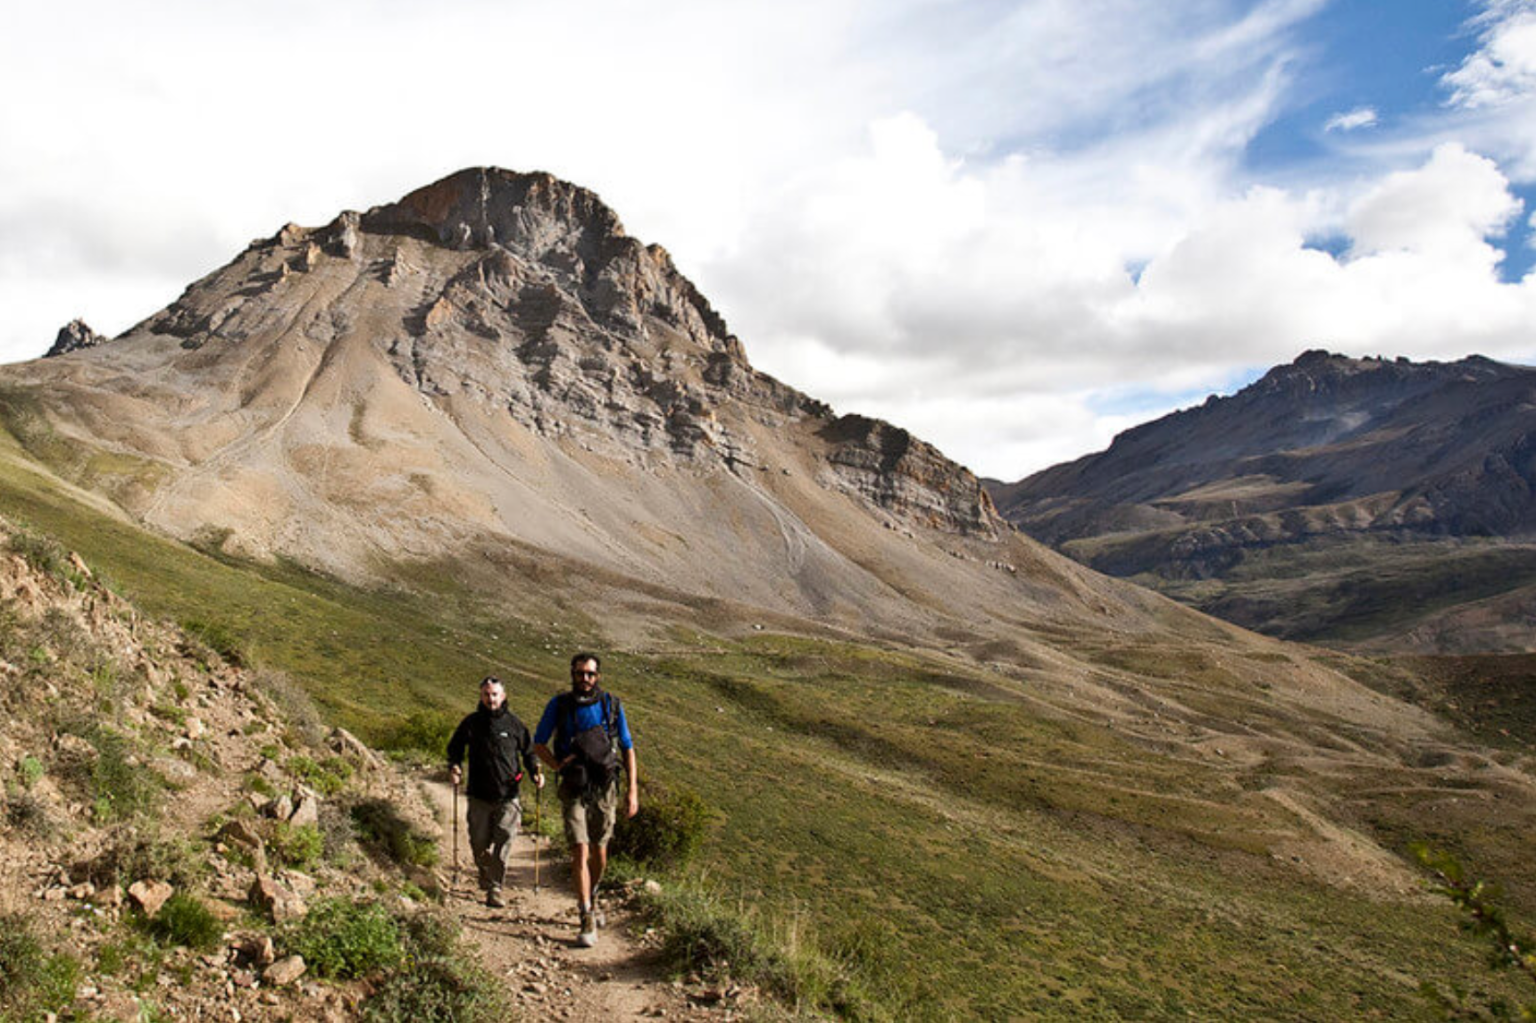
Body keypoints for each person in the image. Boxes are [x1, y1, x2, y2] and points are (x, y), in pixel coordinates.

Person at [533, 652, 638, 948]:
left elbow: (628, 748)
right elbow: (538, 743)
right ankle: (585, 914)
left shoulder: (612, 705)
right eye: (580, 673)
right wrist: (556, 765)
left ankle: (591, 895)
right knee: (579, 848)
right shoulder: (559, 705)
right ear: (572, 674)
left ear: (598, 676)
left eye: (590, 674)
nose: (585, 679)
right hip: (573, 785)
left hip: (605, 786)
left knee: (599, 852)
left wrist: (632, 791)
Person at [446, 675, 542, 908]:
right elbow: (455, 747)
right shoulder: (471, 723)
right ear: (481, 696)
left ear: (503, 696)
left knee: (505, 839)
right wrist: (455, 766)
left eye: (495, 694)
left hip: (508, 794)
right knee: (478, 841)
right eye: (487, 695)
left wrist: (535, 772)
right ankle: (484, 870)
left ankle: (495, 887)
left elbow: (529, 752)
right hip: (478, 794)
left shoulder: (515, 725)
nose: (491, 699)